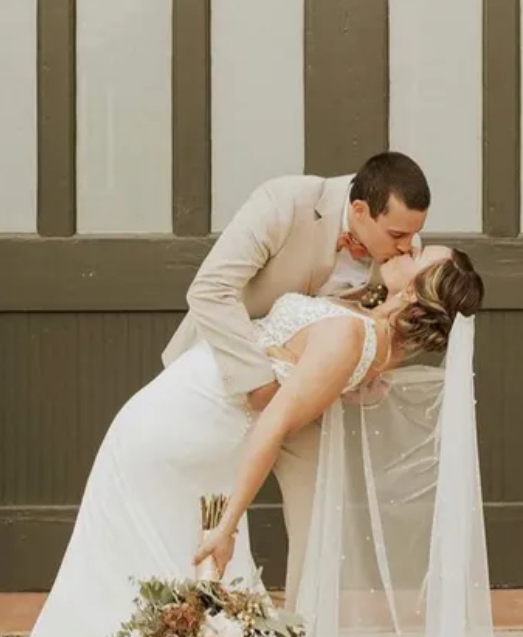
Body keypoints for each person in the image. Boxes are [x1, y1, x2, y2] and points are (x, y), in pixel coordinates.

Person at [0, 243, 494, 637]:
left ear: (413, 293)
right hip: (180, 421)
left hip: (180, 433)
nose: (410, 248)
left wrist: (227, 522)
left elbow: (272, 426)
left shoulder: (354, 339)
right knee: (143, 560)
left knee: (115, 553)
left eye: (421, 256)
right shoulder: (366, 329)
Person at [162, 151, 431, 606]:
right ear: (361, 211)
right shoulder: (283, 203)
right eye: (398, 235)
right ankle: (183, 636)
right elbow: (209, 290)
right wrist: (259, 380)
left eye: (413, 234)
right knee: (195, 514)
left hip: (303, 404)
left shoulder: (400, 252)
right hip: (227, 375)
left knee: (319, 526)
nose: (409, 246)